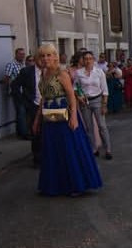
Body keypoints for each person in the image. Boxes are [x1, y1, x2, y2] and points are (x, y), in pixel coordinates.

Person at [32, 43, 102, 196]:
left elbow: (71, 95)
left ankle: (76, 185)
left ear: (55, 56)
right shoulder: (44, 74)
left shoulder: (61, 73)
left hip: (64, 116)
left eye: (49, 55)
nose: (45, 58)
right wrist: (37, 119)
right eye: (42, 56)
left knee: (69, 149)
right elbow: (43, 98)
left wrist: (74, 117)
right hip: (49, 117)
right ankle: (57, 185)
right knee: (53, 151)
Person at [74, 51, 112, 160]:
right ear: (83, 60)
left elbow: (105, 90)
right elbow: (75, 87)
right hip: (85, 102)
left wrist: (104, 105)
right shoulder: (79, 73)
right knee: (89, 127)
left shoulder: (99, 72)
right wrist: (78, 96)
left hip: (98, 100)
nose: (88, 60)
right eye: (85, 58)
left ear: (93, 60)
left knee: (102, 126)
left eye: (90, 58)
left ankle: (108, 149)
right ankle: (94, 149)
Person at [12, 55, 43, 167]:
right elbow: (15, 85)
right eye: (41, 57)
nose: (43, 60)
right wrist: (22, 100)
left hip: (49, 105)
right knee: (36, 132)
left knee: (49, 132)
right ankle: (37, 158)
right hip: (33, 105)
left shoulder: (50, 70)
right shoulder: (26, 72)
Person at [4, 48, 27, 139]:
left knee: (21, 112)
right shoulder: (11, 65)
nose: (22, 56)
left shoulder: (23, 65)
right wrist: (8, 90)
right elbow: (6, 78)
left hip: (24, 91)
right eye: (20, 54)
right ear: (16, 54)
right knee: (21, 111)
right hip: (17, 91)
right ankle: (23, 133)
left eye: (23, 54)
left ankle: (20, 131)